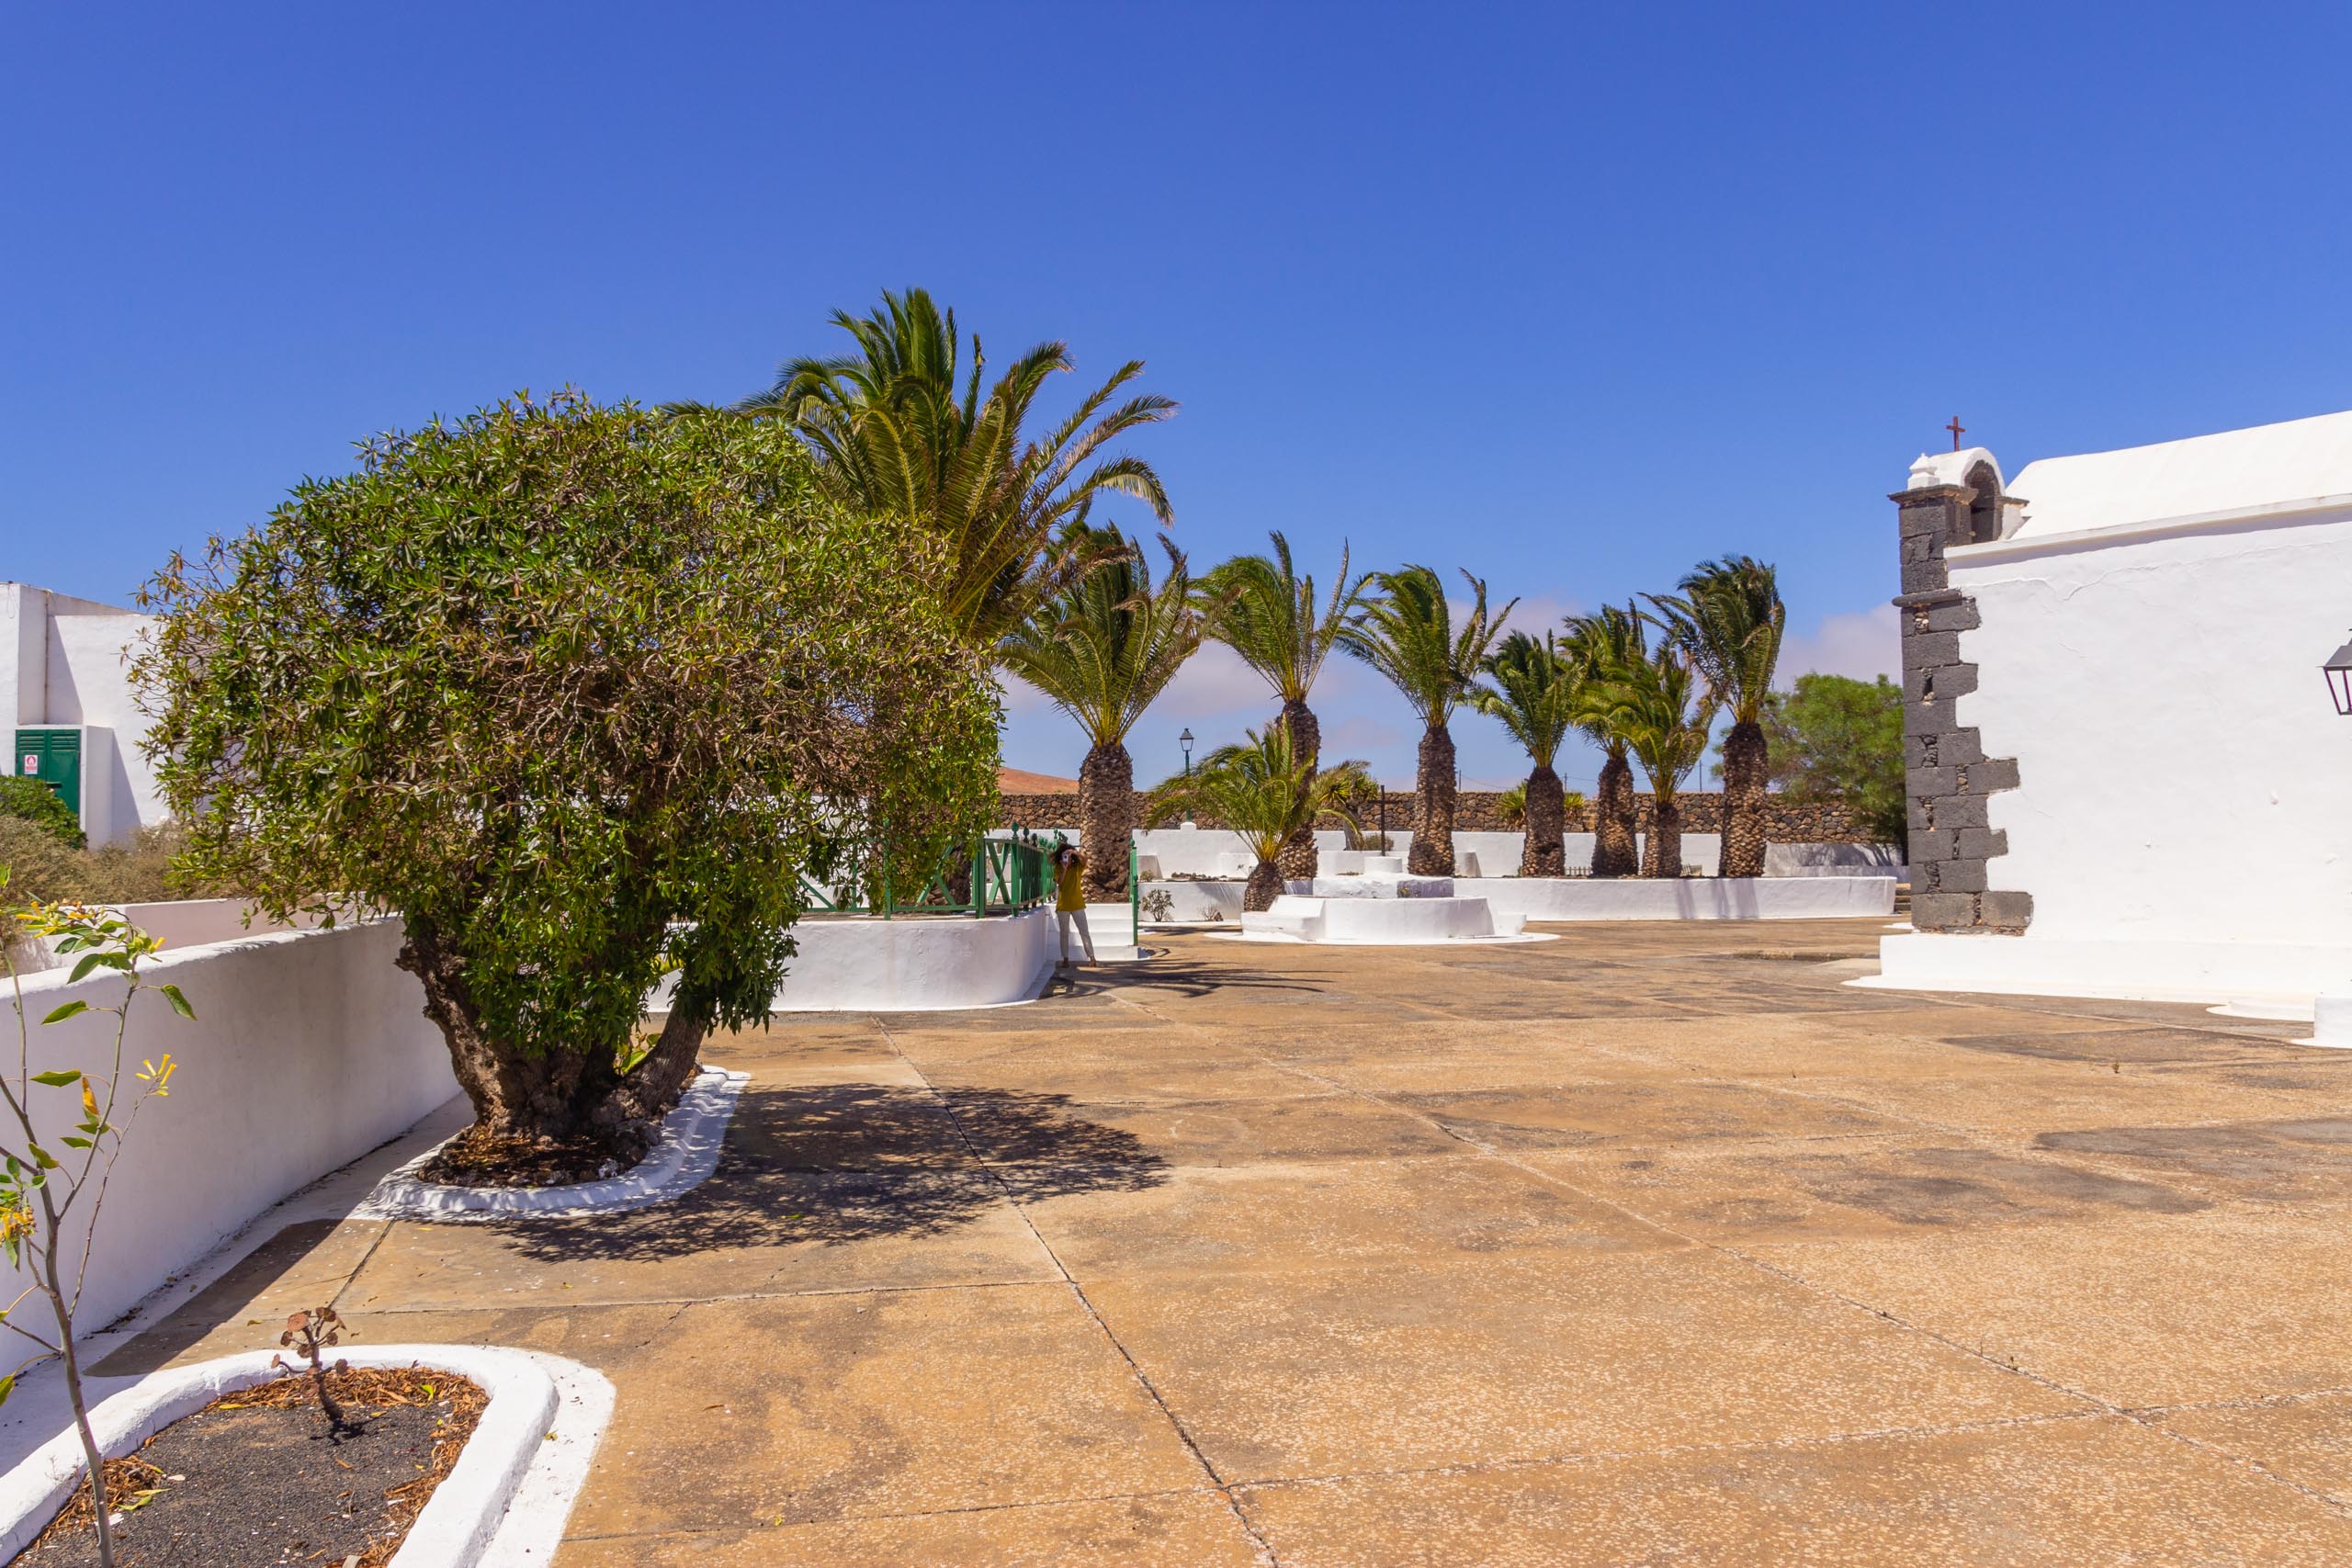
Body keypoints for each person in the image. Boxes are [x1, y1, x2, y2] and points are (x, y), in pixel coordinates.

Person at [1051, 843, 1094, 966]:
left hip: (1077, 904)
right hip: (1063, 905)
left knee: (1084, 931)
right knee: (1064, 933)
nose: (1067, 858)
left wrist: (1075, 852)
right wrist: (1064, 869)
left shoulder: (1077, 867)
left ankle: (1092, 957)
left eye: (1068, 856)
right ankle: (1065, 959)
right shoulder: (1058, 868)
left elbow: (1086, 859)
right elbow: (1060, 883)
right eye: (1065, 856)